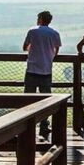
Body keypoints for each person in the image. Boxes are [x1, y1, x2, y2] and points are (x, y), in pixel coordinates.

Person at [23, 10, 61, 138]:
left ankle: (27, 125)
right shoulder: (55, 33)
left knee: (28, 99)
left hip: (32, 69)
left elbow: (25, 47)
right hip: (46, 70)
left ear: (40, 19)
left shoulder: (32, 31)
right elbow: (56, 50)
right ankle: (44, 126)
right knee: (45, 100)